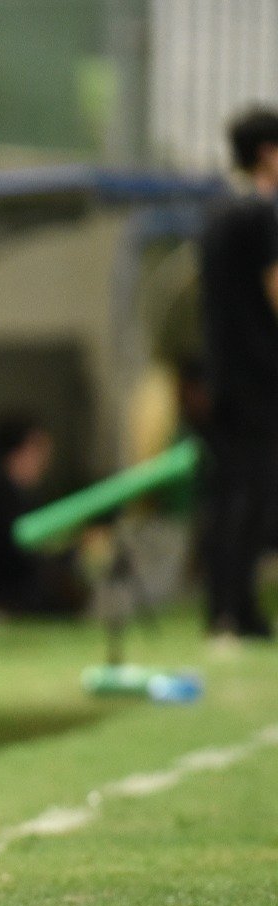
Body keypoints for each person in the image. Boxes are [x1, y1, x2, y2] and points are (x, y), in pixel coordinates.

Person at [198, 107, 278, 641]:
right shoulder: (264, 214)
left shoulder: (218, 214)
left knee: (228, 495)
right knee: (254, 496)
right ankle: (238, 613)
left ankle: (224, 610)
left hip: (223, 378)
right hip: (262, 380)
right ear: (268, 153)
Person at [0, 414, 82, 615]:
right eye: (39, 453)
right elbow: (14, 555)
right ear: (19, 451)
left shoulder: (9, 492)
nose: (44, 464)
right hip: (4, 595)